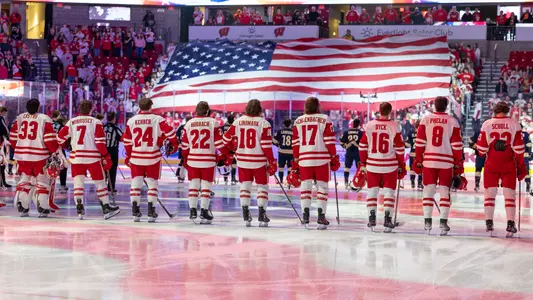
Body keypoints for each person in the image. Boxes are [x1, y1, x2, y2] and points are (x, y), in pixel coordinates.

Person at [58, 100, 120, 220]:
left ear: (79, 109)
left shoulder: (72, 122)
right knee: (100, 182)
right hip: (93, 158)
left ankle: (79, 208)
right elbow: (100, 143)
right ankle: (106, 208)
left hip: (76, 157)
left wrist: (67, 145)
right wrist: (106, 155)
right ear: (91, 109)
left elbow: (60, 137)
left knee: (78, 183)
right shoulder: (96, 122)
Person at [413, 97, 464, 235]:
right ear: (446, 106)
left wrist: (418, 159)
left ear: (434, 106)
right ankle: (443, 223)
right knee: (444, 192)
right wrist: (459, 165)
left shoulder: (426, 119)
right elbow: (457, 146)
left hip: (429, 161)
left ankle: (427, 221)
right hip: (446, 162)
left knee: (428, 192)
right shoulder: (453, 121)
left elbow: (420, 142)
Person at [222, 99, 277, 227]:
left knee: (245, 187)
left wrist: (232, 150)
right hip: (259, 161)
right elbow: (266, 146)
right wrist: (272, 161)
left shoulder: (237, 122)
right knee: (262, 187)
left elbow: (225, 140)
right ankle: (262, 214)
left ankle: (246, 214)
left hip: (242, 160)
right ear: (259, 109)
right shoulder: (264, 123)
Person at [122, 98, 178, 223]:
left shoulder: (131, 121)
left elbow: (127, 141)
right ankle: (151, 212)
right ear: (151, 106)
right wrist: (174, 143)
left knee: (136, 183)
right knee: (152, 184)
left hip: (136, 157)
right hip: (153, 157)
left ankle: (135, 212)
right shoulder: (157, 119)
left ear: (139, 107)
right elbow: (171, 132)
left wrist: (129, 156)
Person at [476, 102, 525, 237]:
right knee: (510, 195)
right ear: (507, 111)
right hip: (509, 163)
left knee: (489, 194)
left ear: (494, 111)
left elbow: (481, 150)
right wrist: (521, 167)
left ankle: (489, 222)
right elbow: (519, 149)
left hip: (492, 163)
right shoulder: (514, 124)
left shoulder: (487, 124)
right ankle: (510, 223)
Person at [292, 97, 339, 230]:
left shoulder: (298, 121)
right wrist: (334, 156)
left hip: (304, 158)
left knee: (305, 187)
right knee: (322, 187)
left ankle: (305, 215)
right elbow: (329, 141)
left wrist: (296, 158)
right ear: (318, 106)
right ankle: (321, 216)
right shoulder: (325, 119)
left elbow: (295, 143)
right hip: (321, 158)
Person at [358, 103, 405, 233]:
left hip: (372, 164)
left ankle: (371, 218)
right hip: (390, 165)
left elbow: (362, 146)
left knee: (372, 192)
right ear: (390, 111)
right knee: (389, 193)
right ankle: (387, 220)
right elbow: (400, 148)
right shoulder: (395, 126)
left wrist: (363, 162)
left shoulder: (369, 125)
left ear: (379, 111)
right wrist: (401, 164)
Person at [9, 99, 59, 217]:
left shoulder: (19, 118)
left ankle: (23, 208)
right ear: (38, 107)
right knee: (42, 181)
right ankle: (42, 208)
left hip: (23, 157)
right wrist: (54, 152)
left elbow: (13, 137)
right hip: (40, 156)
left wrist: (20, 148)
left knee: (25, 180)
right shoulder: (45, 118)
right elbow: (49, 139)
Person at [181, 101, 226, 223]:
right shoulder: (213, 122)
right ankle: (204, 211)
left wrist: (185, 158)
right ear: (207, 111)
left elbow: (184, 145)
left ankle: (192, 210)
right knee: (206, 186)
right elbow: (219, 143)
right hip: (208, 160)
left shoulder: (189, 123)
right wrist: (225, 154)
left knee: (193, 185)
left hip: (193, 159)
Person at [340, 119, 363, 188]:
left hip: (349, 152)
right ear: (359, 125)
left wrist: (346, 146)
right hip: (357, 152)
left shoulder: (346, 132)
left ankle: (346, 183)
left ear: (352, 124)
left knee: (347, 167)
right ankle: (358, 183)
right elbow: (365, 143)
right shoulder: (361, 133)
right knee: (359, 168)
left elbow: (341, 142)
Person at [104, 112, 122, 194]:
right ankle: (111, 187)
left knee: (103, 169)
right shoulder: (116, 129)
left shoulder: (102, 128)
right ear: (114, 118)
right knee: (113, 169)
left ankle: (102, 187)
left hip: (103, 151)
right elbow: (122, 138)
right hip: (113, 151)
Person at [273, 118, 294, 185]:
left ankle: (281, 180)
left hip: (282, 152)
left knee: (281, 167)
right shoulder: (293, 131)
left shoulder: (280, 131)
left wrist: (278, 145)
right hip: (291, 152)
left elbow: (274, 141)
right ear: (290, 124)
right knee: (290, 167)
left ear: (284, 124)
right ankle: (289, 181)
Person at [52, 111, 68, 192]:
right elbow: (64, 139)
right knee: (64, 167)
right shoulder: (62, 127)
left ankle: (48, 185)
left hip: (49, 148)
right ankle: (62, 185)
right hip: (58, 149)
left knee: (50, 167)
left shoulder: (51, 124)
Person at [405, 118, 423, 190]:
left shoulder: (410, 132)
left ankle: (412, 183)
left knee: (412, 169)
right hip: (420, 154)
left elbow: (407, 144)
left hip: (412, 153)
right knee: (420, 168)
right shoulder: (423, 133)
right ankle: (419, 183)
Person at [221, 114, 237, 185]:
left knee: (226, 163)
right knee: (233, 162)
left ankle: (226, 178)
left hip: (225, 146)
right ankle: (232, 178)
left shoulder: (223, 126)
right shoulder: (234, 127)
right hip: (232, 147)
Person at [0, 106, 11, 189]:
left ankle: (2, 182)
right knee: (2, 163)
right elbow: (5, 130)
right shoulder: (1, 119)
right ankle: (2, 182)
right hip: (0, 143)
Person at [522, 125, 532, 194]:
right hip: (524, 155)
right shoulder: (526, 134)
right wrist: (529, 153)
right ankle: (528, 183)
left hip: (514, 155)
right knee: (526, 171)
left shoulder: (512, 133)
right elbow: (529, 144)